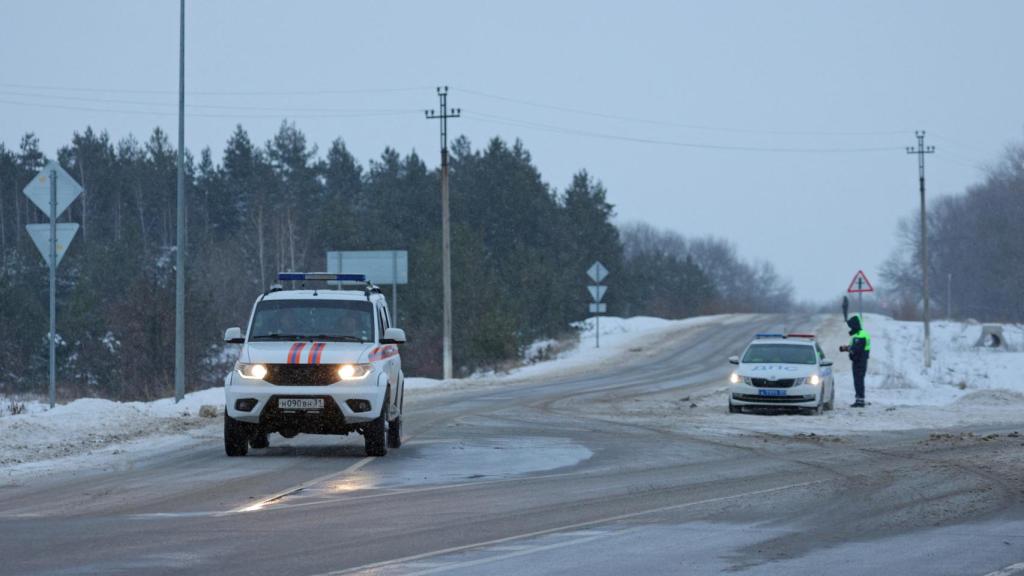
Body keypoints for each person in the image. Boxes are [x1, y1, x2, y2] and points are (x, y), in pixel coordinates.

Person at [841, 315, 871, 408]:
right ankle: (859, 399)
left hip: (860, 361)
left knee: (859, 380)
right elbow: (853, 347)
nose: (850, 328)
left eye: (851, 326)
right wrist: (845, 348)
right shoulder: (857, 335)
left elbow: (856, 349)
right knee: (857, 380)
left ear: (855, 325)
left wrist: (849, 349)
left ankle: (860, 400)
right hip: (857, 361)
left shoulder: (862, 335)